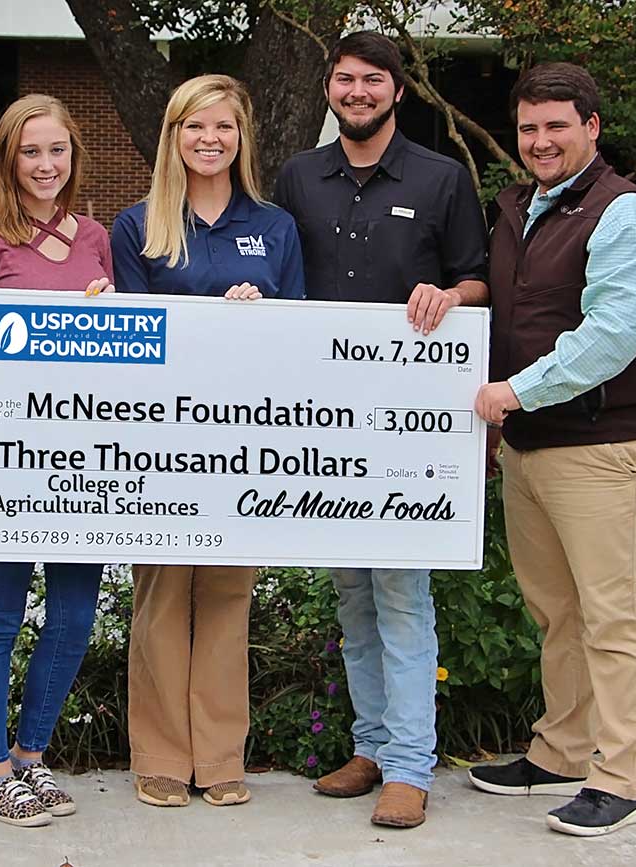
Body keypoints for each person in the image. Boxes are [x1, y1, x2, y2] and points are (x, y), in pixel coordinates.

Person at [272, 31, 489, 829]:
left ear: (399, 90)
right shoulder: (299, 176)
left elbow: (477, 276)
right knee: (352, 595)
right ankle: (368, 746)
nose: (357, 92)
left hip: (407, 431)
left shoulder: (439, 179)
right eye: (344, 79)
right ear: (330, 89)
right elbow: (280, 279)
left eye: (372, 80)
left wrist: (452, 298)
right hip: (325, 426)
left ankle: (408, 766)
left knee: (402, 594)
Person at [469, 62, 636, 838]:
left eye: (557, 125)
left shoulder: (623, 214)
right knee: (557, 611)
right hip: (532, 447)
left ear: (592, 127)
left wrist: (517, 390)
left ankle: (621, 777)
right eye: (528, 127)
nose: (540, 140)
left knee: (614, 615)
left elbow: (616, 333)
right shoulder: (521, 206)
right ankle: (561, 751)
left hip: (607, 446)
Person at [110, 73, 305, 809]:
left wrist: (263, 313)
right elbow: (128, 339)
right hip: (160, 443)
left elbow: (302, 334)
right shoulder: (139, 226)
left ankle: (222, 757)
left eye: (222, 127)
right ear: (173, 136)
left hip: (246, 441)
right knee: (161, 596)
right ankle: (160, 755)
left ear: (241, 136)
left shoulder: (276, 227)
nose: (209, 140)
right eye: (195, 127)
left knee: (227, 596)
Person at [0, 94, 112, 828]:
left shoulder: (96, 237)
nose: (45, 165)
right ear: (7, 158)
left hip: (85, 458)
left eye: (57, 151)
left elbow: (122, 354)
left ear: (75, 155)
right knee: (0, 613)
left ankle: (32, 758)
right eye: (30, 151)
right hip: (11, 461)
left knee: (75, 615)